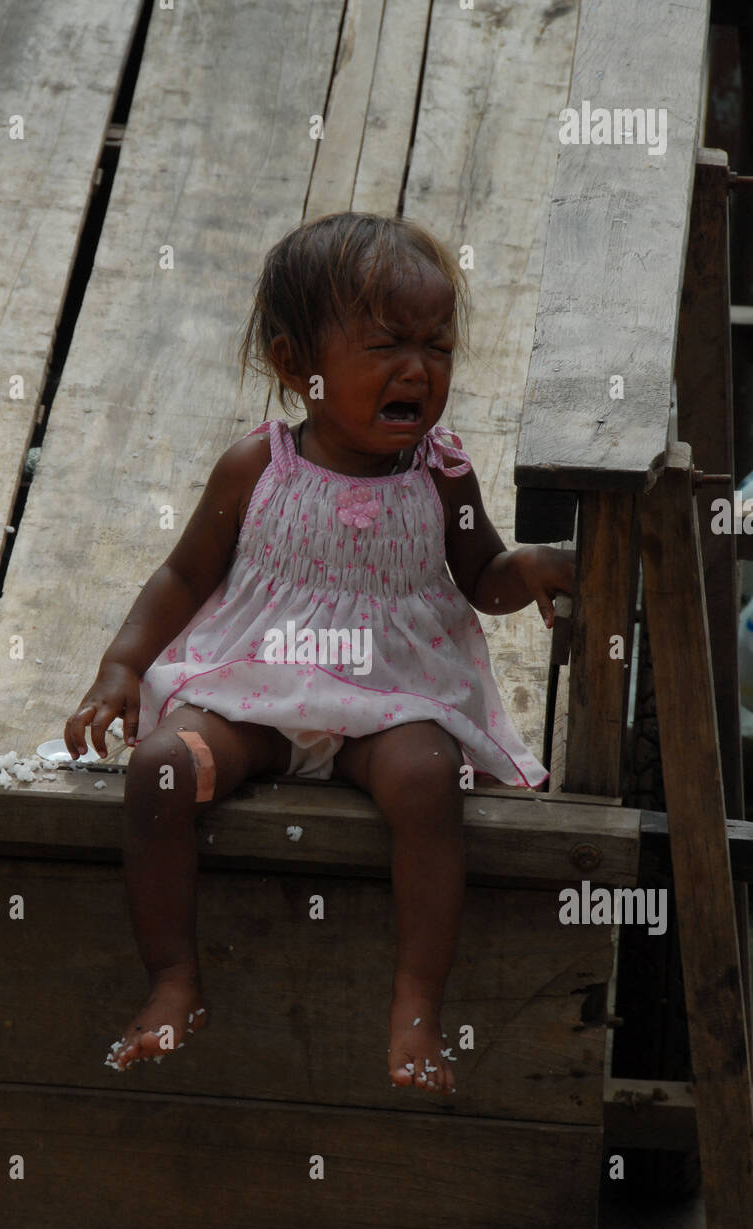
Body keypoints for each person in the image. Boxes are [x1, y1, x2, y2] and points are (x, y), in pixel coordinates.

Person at [63, 212, 575, 1096]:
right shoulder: (256, 468)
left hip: (389, 703)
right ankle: (174, 979)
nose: (418, 368)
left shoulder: (444, 474)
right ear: (298, 360)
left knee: (427, 781)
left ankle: (415, 1005)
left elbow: (479, 573)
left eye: (437, 345)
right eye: (385, 345)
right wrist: (119, 672)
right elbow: (183, 577)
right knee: (159, 771)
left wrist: (525, 568)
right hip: (253, 692)